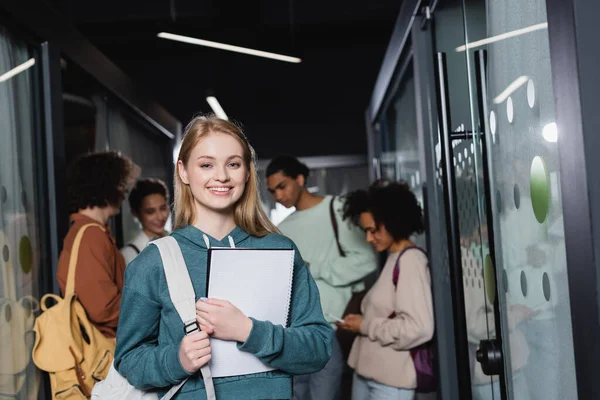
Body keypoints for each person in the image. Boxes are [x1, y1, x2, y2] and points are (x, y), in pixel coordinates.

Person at [114, 115, 332, 399]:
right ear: (183, 171)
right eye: (206, 165)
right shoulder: (154, 262)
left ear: (246, 172)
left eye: (233, 164)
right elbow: (129, 360)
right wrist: (176, 360)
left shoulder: (280, 250)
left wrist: (248, 331)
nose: (222, 176)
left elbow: (318, 349)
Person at [265, 155, 378, 400]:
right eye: (272, 191)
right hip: (298, 331)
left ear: (300, 179)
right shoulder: (283, 228)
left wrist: (312, 268)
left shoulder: (338, 208)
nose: (278, 196)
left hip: (334, 327)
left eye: (282, 186)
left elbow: (367, 260)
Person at [337, 180, 434, 400]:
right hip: (371, 373)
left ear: (393, 222)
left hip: (390, 381)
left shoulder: (411, 261)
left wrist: (365, 325)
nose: (368, 238)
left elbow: (418, 328)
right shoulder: (394, 257)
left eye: (373, 230)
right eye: (366, 231)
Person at [56, 150, 138, 338]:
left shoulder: (89, 231)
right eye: (121, 184)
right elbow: (102, 308)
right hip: (102, 351)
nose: (124, 192)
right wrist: (146, 309)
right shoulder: (90, 234)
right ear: (106, 186)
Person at [120, 178, 170, 265]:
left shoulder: (174, 241)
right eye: (150, 212)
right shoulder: (129, 254)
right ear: (136, 213)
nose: (160, 217)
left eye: (163, 208)